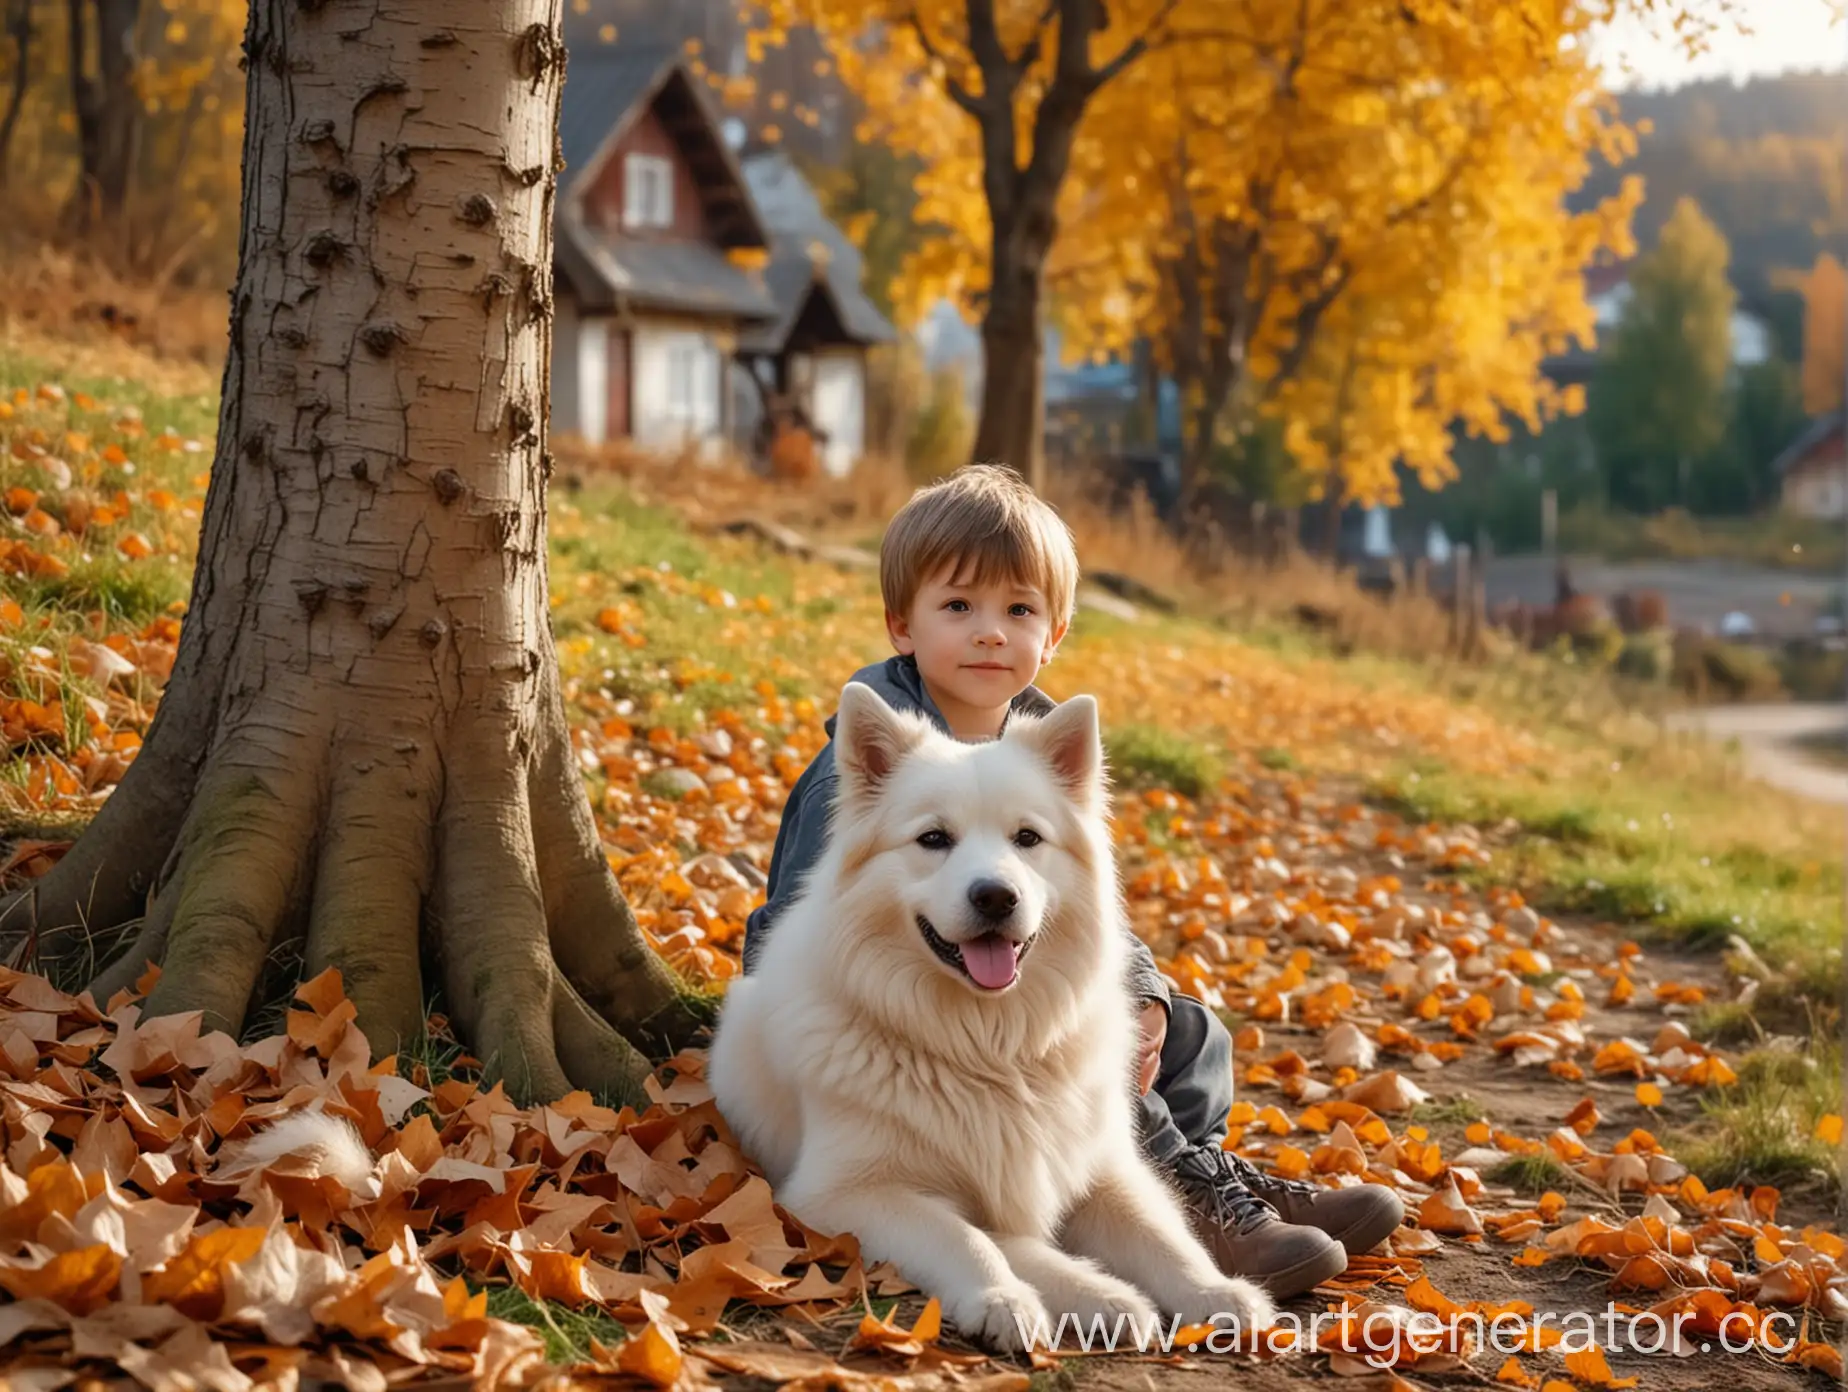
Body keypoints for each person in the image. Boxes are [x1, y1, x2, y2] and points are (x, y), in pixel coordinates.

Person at [739, 465, 1403, 1298]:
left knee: (1187, 1032)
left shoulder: (1044, 751)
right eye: (959, 607)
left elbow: (1084, 902)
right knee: (1080, 1059)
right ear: (900, 624)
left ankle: (1202, 1170)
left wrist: (1144, 994)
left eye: (1018, 610)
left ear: (1053, 634)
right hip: (902, 1027)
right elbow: (802, 924)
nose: (990, 634)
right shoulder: (876, 762)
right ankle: (1186, 1196)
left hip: (1015, 997)